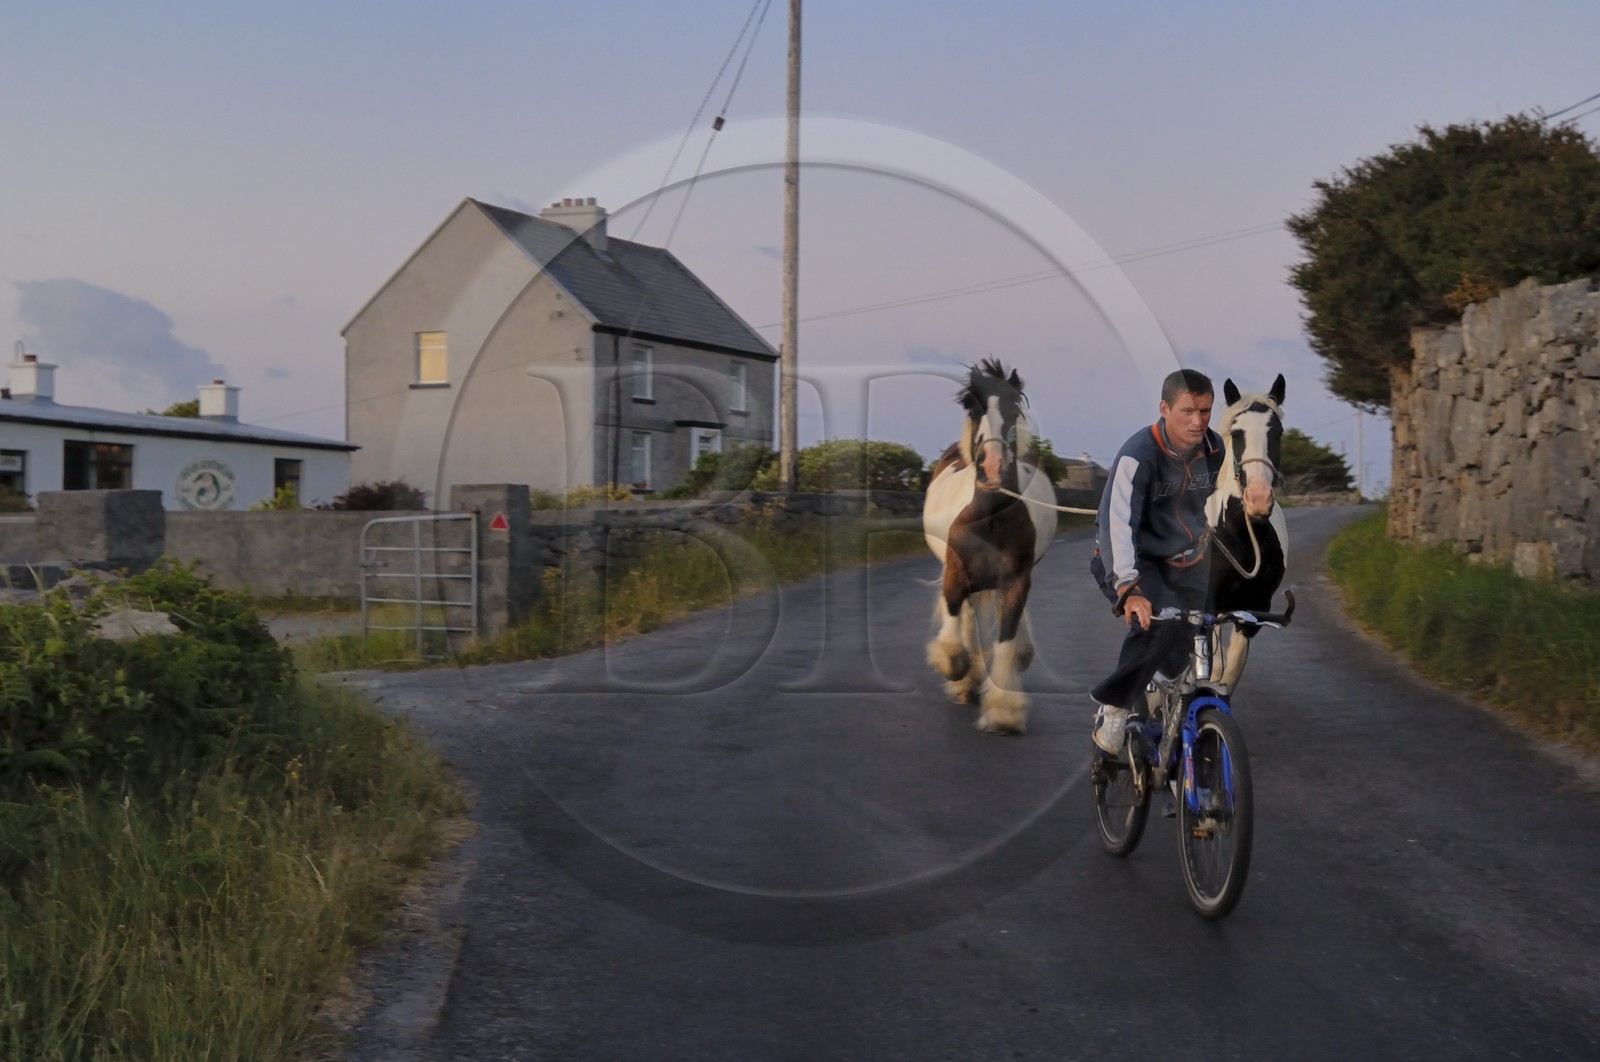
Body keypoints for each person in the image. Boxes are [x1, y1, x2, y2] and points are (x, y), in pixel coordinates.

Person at [1088, 368, 1223, 755]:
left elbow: (1203, 507)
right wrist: (1129, 588)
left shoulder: (1215, 449)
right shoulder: (1138, 454)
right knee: (1157, 624)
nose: (1198, 422)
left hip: (1187, 561)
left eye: (1205, 411)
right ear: (1164, 409)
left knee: (1197, 634)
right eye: (1187, 411)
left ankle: (1177, 737)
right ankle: (1115, 707)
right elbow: (1116, 524)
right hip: (1133, 559)